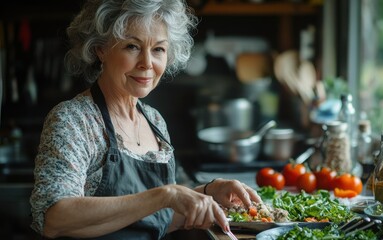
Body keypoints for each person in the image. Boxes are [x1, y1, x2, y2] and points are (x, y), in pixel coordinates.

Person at [29, 0, 261, 239]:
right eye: (132, 46)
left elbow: (156, 218)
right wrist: (165, 195)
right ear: (100, 48)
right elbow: (54, 217)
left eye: (158, 49)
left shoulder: (154, 121)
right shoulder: (74, 121)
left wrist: (208, 193)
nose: (147, 63)